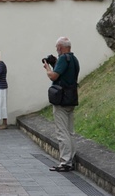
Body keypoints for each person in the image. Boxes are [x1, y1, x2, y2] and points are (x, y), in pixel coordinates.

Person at [44, 37, 80, 172]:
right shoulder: (74, 59)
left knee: (62, 131)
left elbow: (54, 76)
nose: (56, 50)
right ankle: (71, 158)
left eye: (57, 48)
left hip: (61, 99)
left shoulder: (64, 58)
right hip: (71, 98)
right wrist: (55, 65)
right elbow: (65, 75)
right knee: (70, 131)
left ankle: (65, 161)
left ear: (60, 47)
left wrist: (47, 68)